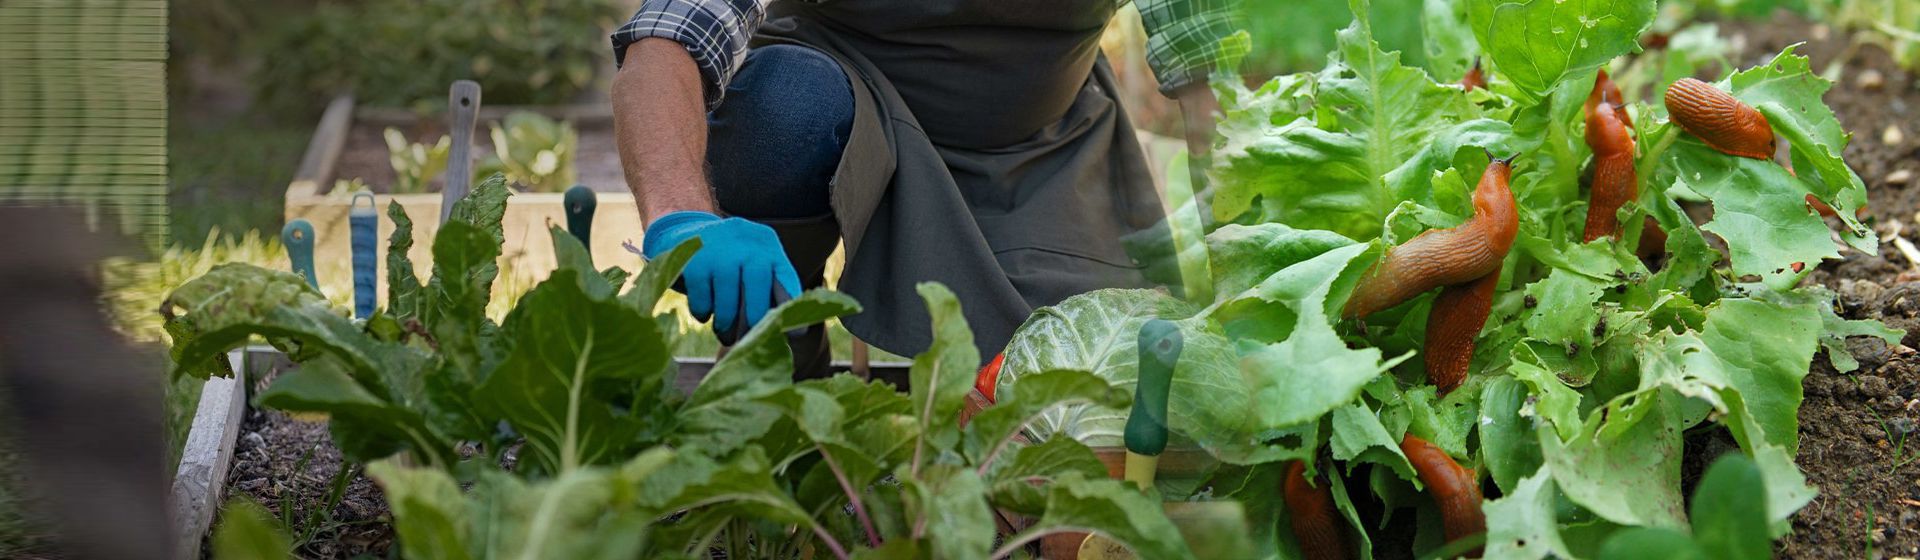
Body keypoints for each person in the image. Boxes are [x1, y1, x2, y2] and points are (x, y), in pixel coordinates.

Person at [611, 0, 1242, 377]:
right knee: (782, 112)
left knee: (1088, 386)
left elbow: (1210, 75)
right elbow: (666, 41)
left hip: (1038, 148)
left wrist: (1244, 255)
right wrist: (682, 217)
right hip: (851, 107)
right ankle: (771, 357)